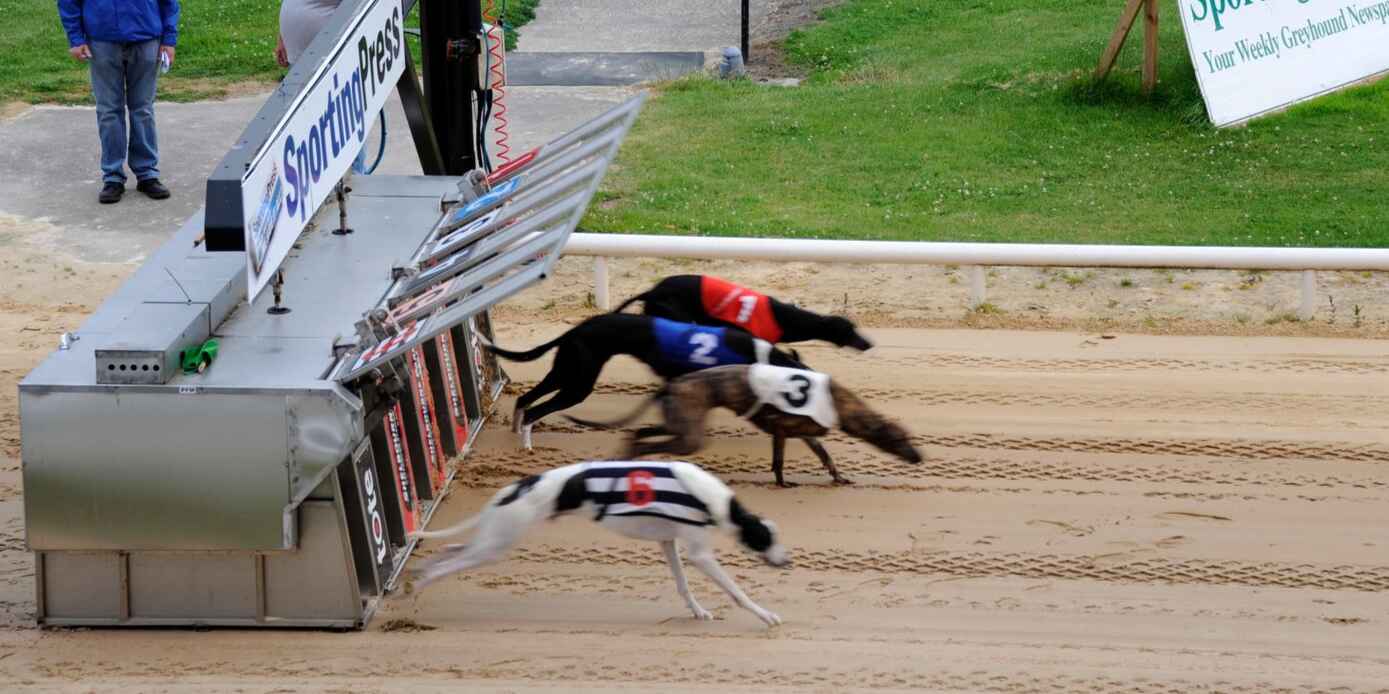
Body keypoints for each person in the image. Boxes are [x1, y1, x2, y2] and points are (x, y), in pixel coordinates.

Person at [57, 0, 180, 205]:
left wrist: (169, 39)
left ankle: (147, 174)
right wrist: (75, 38)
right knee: (108, 111)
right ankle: (113, 177)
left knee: (143, 110)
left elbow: (169, 3)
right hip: (102, 40)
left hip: (146, 37)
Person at [276, 0, 368, 174]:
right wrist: (282, 37)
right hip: (299, 61)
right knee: (308, 124)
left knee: (343, 120)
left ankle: (357, 174)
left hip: (331, 61)